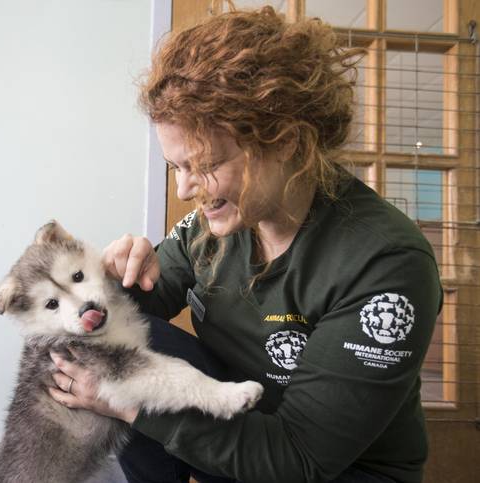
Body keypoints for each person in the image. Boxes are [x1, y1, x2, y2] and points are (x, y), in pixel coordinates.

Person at [48, 5, 442, 483]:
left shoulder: (385, 263)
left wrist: (128, 402)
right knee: (113, 337)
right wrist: (108, 284)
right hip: (239, 435)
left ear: (288, 143)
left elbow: (301, 459)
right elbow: (142, 310)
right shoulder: (210, 229)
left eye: (204, 164)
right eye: (176, 167)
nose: (184, 191)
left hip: (334, 471)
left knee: (126, 382)